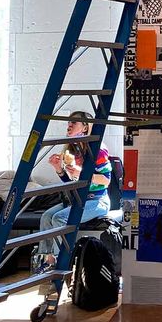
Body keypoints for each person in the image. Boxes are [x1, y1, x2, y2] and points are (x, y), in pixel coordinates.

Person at [36, 111, 111, 270]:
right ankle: (45, 261)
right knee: (46, 217)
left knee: (58, 218)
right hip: (76, 198)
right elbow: (70, 182)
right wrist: (59, 169)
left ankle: (60, 263)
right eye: (68, 122)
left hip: (96, 200)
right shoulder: (70, 150)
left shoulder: (99, 150)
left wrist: (82, 173)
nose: (69, 125)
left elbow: (105, 180)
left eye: (73, 122)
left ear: (85, 128)